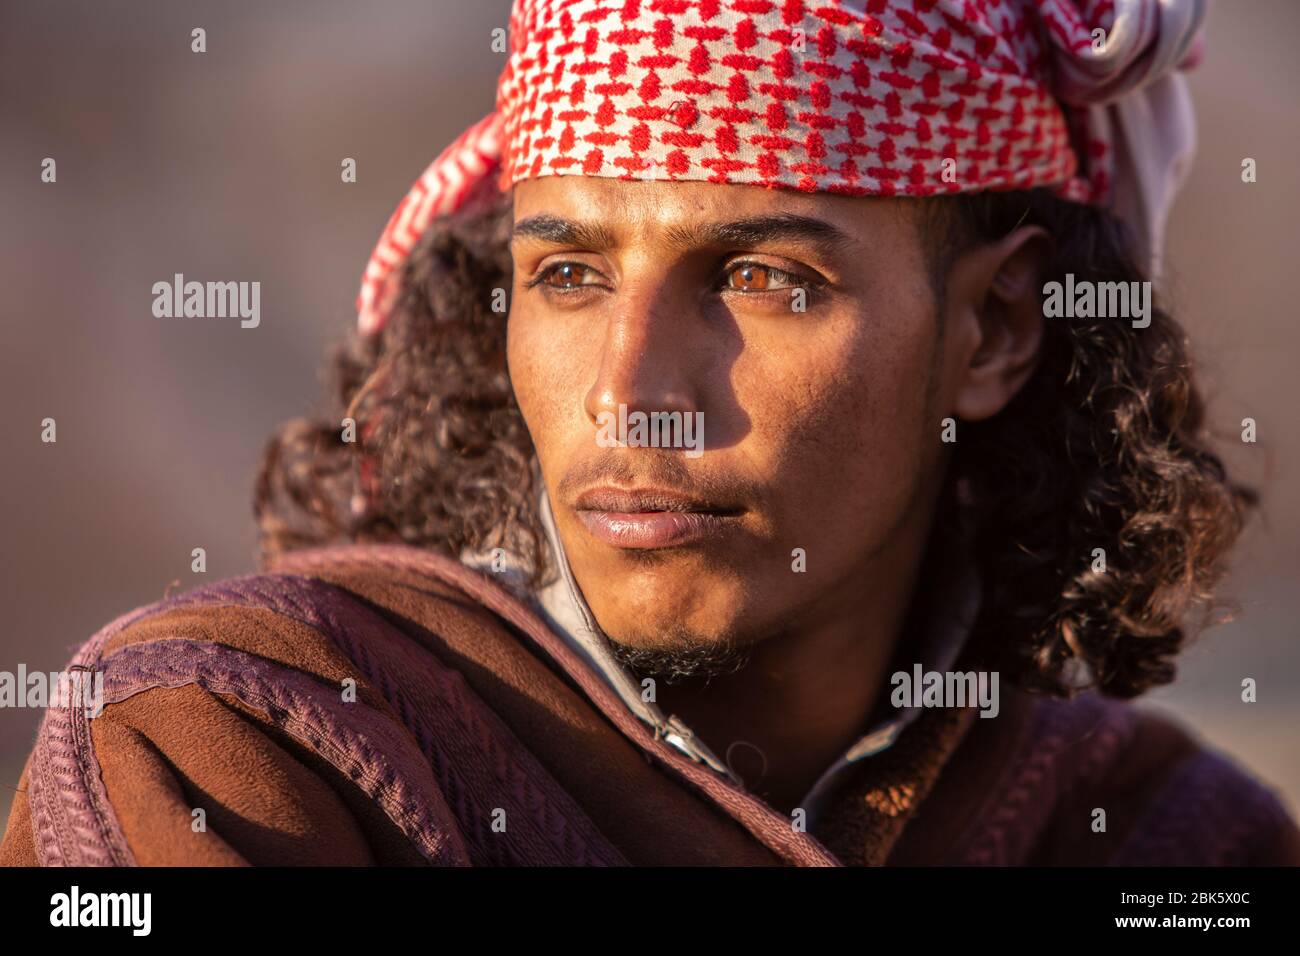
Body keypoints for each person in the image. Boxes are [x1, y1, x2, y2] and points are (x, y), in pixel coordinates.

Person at [4, 0, 1297, 867]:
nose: (633, 391)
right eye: (568, 277)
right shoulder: (238, 741)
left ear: (998, 330)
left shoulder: (1163, 842)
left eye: (762, 281)